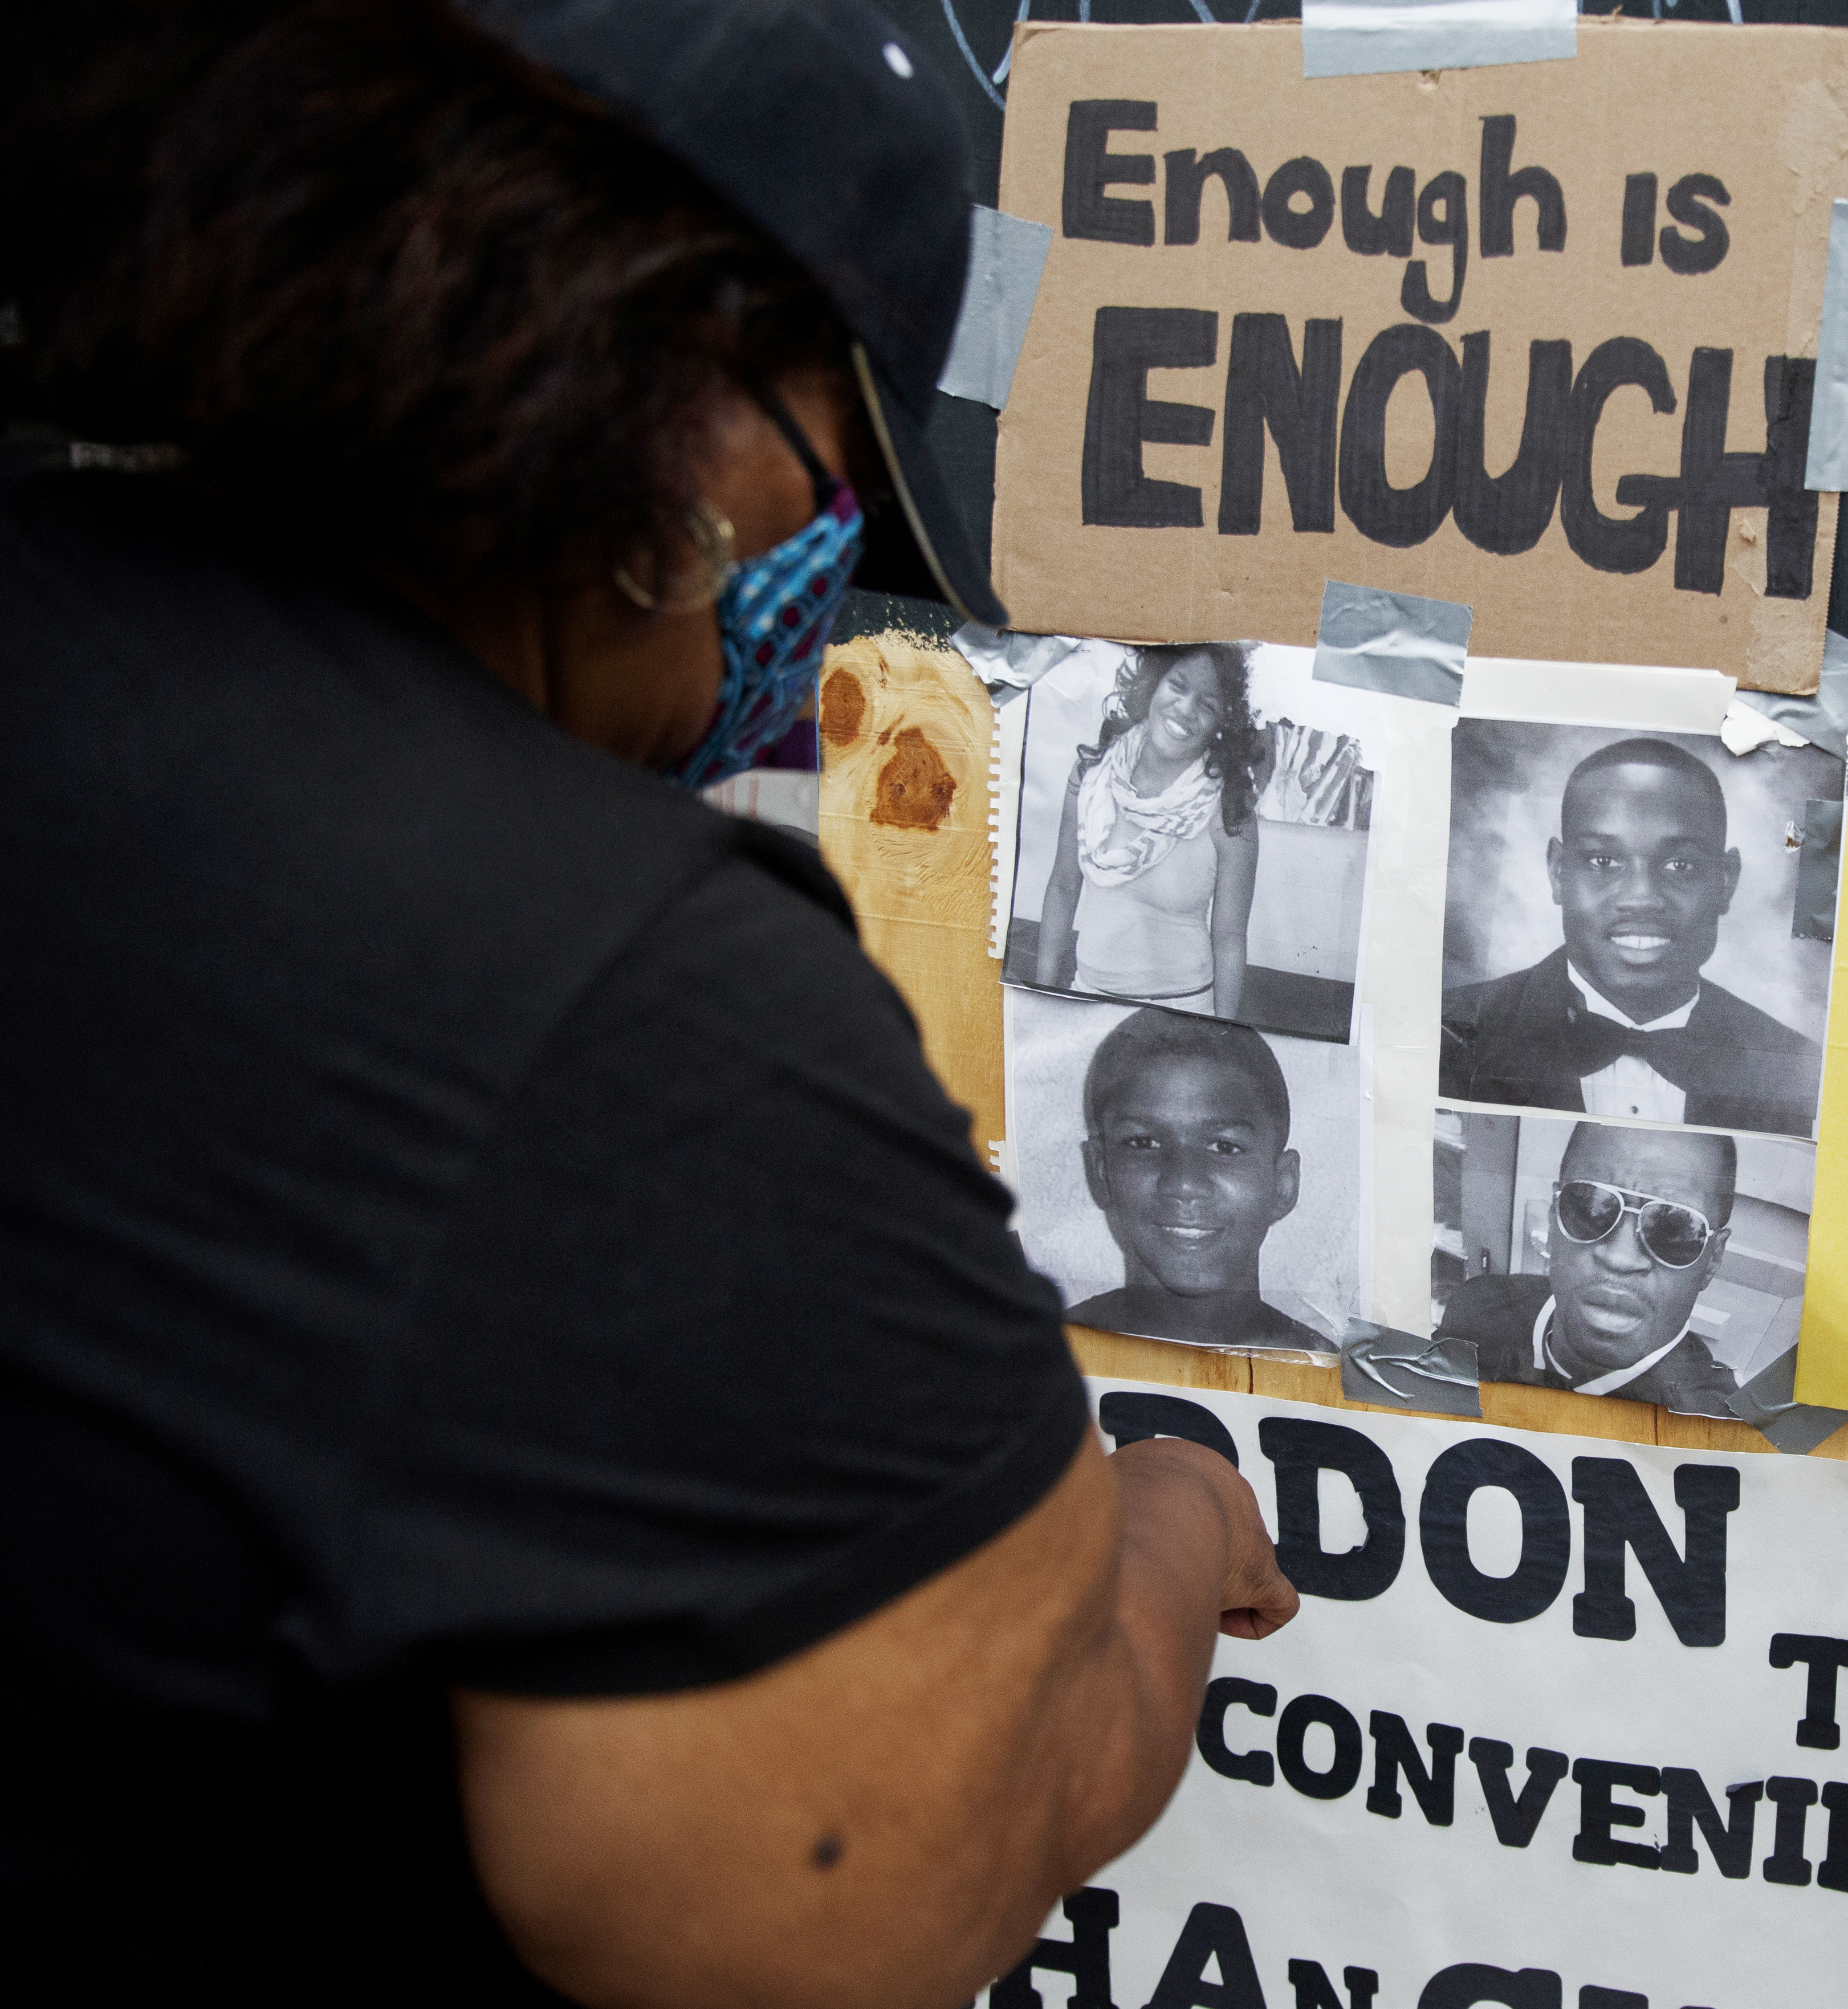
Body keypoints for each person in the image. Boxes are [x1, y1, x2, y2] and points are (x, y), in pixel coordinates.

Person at [1, 5, 1299, 2004]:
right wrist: (1163, 1529)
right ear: (668, 388)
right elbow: (867, 1891)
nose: (814, 585)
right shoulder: (641, 1024)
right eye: (834, 474)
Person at [1441, 736, 1822, 1136]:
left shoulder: (1797, 1069)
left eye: (1681, 865)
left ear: (1726, 881)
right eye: (1603, 861)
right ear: (1558, 872)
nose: (1642, 897)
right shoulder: (1448, 1036)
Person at [1435, 1122, 1784, 1421]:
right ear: (1554, 1219)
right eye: (1589, 1208)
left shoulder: (1727, 1426)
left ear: (1713, 1259)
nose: (1619, 1258)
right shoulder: (1477, 1305)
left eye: (1674, 1229)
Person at [1069, 1008, 1333, 1354]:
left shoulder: (1327, 1373)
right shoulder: (1037, 1361)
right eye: (1144, 1143)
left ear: (1283, 1185)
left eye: (1224, 1146)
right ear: (1101, 1172)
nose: (1184, 1184)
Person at [1037, 645, 1268, 1021]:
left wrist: (1221, 1036)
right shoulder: (1091, 776)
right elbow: (1062, 888)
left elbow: (1228, 942)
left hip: (1182, 1014)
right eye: (1177, 686)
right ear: (1153, 686)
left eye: (1207, 705)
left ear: (1222, 723)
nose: (1185, 708)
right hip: (1087, 999)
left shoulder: (1231, 813)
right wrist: (1042, 999)